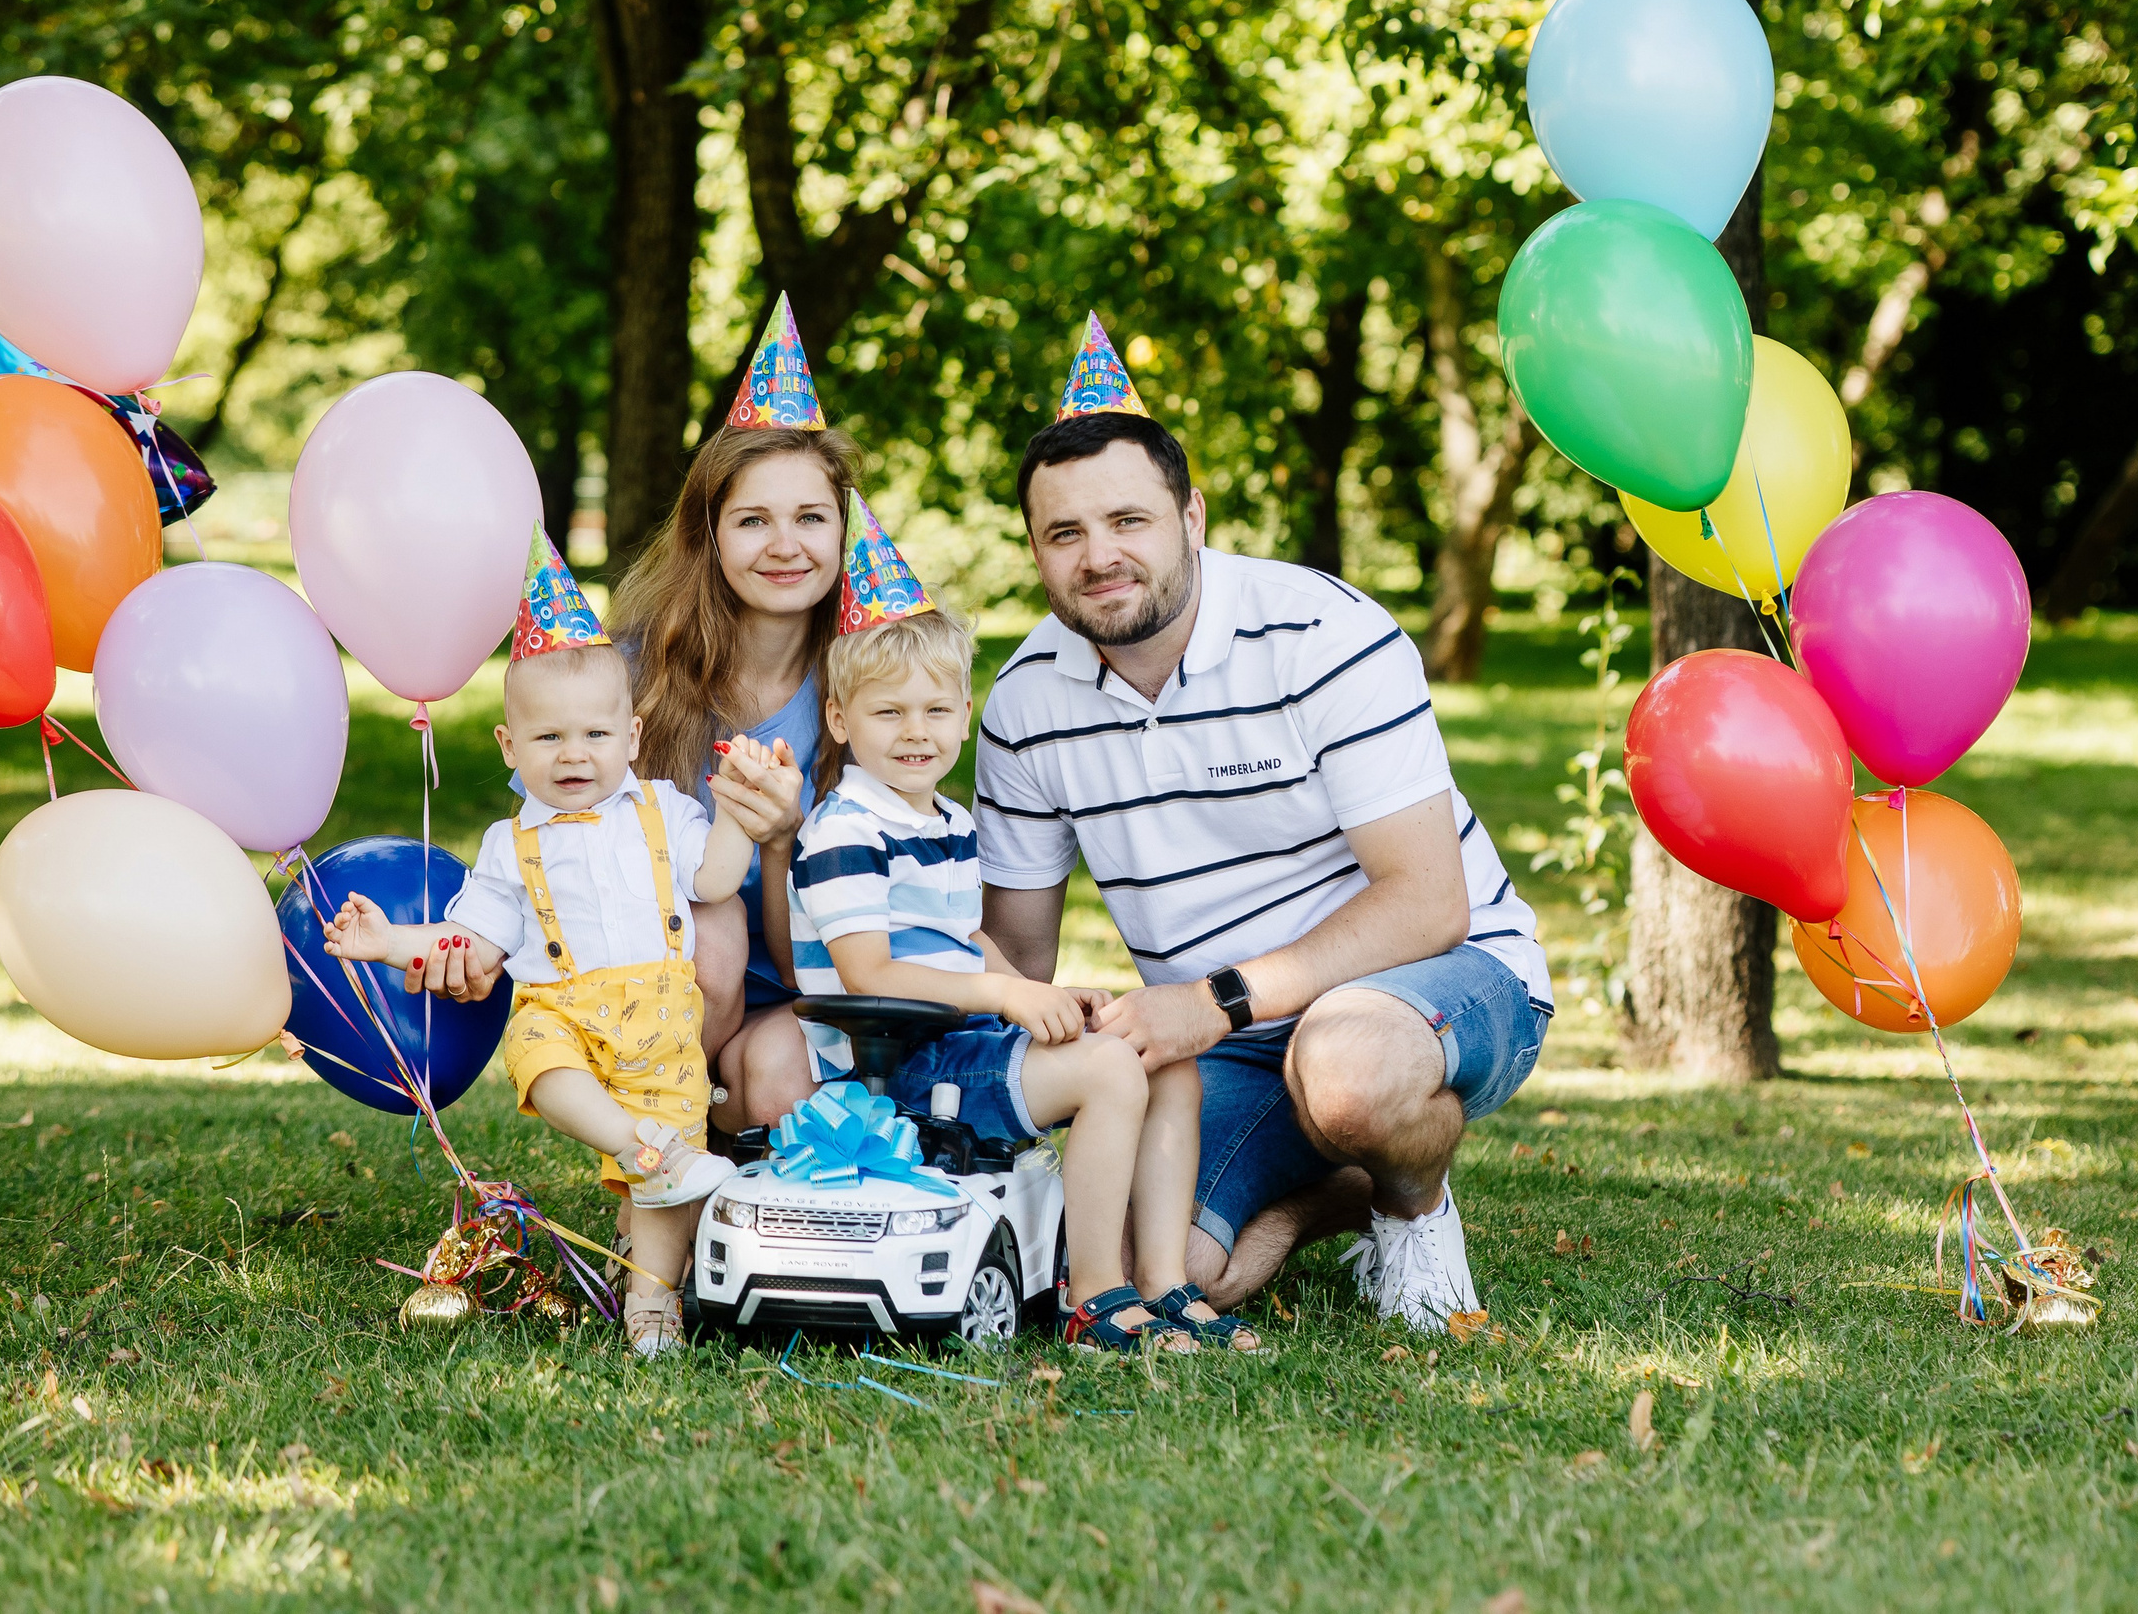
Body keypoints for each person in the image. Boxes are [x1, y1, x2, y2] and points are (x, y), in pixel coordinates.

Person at [975, 316, 1553, 1331]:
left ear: (1191, 516)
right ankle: (1346, 1189)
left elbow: (1428, 903)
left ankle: (1413, 1205)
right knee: (1164, 1273)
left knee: (1348, 1071)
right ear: (1034, 550)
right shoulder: (1024, 703)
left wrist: (1209, 1001)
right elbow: (1017, 958)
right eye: (1064, 534)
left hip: (1438, 981)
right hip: (1223, 1043)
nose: (1099, 556)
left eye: (1128, 521)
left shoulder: (1323, 632)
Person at [786, 496, 1261, 1353]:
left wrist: (1041, 994)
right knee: (1112, 1074)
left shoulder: (949, 823)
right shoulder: (844, 830)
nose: (916, 733)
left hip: (964, 1039)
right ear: (839, 721)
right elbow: (868, 973)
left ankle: (1162, 1280)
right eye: (888, 713)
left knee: (1169, 1063)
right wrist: (1004, 994)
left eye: (935, 711)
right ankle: (1092, 1293)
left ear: (963, 716)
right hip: (896, 1069)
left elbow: (967, 938)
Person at [326, 523, 802, 1356]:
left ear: (634, 736)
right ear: (511, 747)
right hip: (564, 1008)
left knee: (664, 1182)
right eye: (549, 738)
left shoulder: (667, 810)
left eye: (594, 734)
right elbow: (469, 943)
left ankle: (653, 1299)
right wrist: (388, 941)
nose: (574, 754)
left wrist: (733, 813)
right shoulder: (512, 843)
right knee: (541, 1065)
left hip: (660, 1007)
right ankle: (635, 1144)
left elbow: (715, 882)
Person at [415, 292, 848, 1139]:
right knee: (711, 920)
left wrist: (781, 839)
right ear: (709, 533)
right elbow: (556, 824)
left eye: (811, 518)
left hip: (818, 980)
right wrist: (486, 936)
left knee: (779, 1085)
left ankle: (728, 1121)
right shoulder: (634, 671)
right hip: (657, 991)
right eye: (753, 519)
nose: (785, 544)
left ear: (845, 530)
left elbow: (841, 948)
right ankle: (668, 1118)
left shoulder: (863, 685)